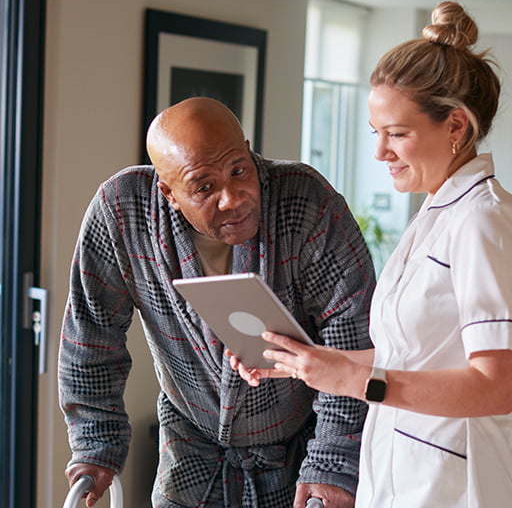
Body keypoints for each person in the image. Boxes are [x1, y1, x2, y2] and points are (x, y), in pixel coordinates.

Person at [232, 1, 512, 507]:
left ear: (455, 126)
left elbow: (498, 385)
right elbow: (413, 356)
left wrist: (357, 380)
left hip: (454, 488)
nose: (380, 152)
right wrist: (309, 362)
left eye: (397, 134)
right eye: (375, 133)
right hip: (402, 474)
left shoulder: (482, 221)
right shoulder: (435, 214)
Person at [58, 96, 376, 507]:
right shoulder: (122, 212)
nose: (233, 197)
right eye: (205, 187)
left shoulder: (305, 202)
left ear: (247, 148)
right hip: (191, 445)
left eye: (239, 170)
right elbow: (91, 335)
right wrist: (95, 443)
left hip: (300, 446)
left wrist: (333, 461)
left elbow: (351, 340)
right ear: (168, 193)